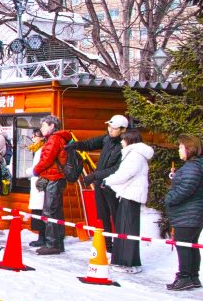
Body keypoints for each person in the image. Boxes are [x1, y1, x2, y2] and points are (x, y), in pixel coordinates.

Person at [67, 115, 127, 250]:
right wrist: (76, 145)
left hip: (114, 185)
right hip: (100, 183)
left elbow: (116, 169)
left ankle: (120, 245)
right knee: (103, 214)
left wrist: (94, 175)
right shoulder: (107, 138)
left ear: (122, 130)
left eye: (114, 128)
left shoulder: (124, 145)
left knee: (116, 214)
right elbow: (90, 143)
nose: (110, 130)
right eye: (109, 126)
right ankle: (108, 244)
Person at [102, 130, 153, 273]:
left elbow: (124, 174)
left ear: (130, 140)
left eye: (123, 139)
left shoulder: (135, 155)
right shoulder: (133, 154)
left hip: (131, 195)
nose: (121, 142)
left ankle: (127, 263)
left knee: (127, 229)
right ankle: (122, 260)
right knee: (124, 229)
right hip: (129, 194)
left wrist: (107, 181)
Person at [164, 135, 203, 291]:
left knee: (184, 245)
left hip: (188, 213)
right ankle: (193, 276)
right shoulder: (195, 165)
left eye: (181, 147)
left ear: (190, 148)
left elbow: (186, 188)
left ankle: (185, 277)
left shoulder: (192, 167)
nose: (179, 150)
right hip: (193, 213)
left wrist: (169, 198)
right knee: (191, 245)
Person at [31, 115, 73, 255]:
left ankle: (52, 244)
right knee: (56, 211)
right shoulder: (59, 138)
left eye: (44, 125)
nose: (42, 128)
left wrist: (35, 170)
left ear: (52, 126)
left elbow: (47, 159)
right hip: (57, 177)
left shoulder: (54, 139)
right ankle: (57, 242)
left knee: (49, 211)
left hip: (54, 178)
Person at [25, 131, 46, 236]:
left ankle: (42, 236)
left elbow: (39, 167)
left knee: (40, 211)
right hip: (37, 184)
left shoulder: (42, 150)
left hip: (40, 184)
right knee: (37, 211)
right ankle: (40, 236)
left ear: (42, 138)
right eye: (32, 136)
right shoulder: (37, 149)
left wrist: (29, 171)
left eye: (35, 136)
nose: (32, 138)